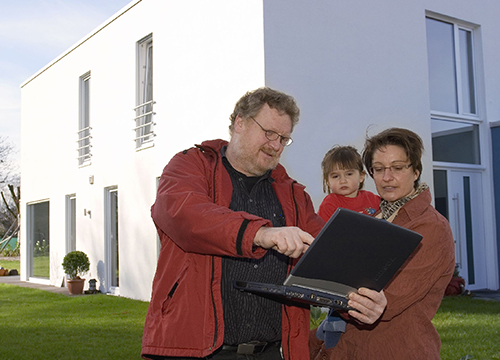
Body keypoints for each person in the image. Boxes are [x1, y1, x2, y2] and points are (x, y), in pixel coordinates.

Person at [141, 87, 387, 360]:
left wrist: (360, 298)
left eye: (284, 139)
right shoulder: (191, 165)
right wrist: (260, 233)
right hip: (195, 350)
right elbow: (182, 213)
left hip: (272, 352)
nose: (275, 145)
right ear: (239, 123)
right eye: (269, 133)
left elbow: (327, 254)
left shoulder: (293, 194)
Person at [310, 128, 455, 360]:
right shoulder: (373, 217)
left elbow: (381, 300)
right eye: (378, 169)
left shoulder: (431, 228)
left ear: (416, 171)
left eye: (397, 168)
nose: (387, 177)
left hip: (396, 350)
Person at [318, 145, 380, 221]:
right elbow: (323, 231)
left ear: (361, 176)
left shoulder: (373, 199)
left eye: (349, 174)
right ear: (327, 181)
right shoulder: (329, 205)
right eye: (335, 176)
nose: (343, 181)